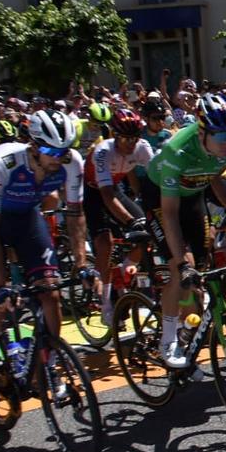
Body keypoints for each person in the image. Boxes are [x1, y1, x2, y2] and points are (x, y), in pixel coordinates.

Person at [0, 110, 88, 408]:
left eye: (63, 151)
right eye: (49, 151)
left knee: (52, 294)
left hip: (26, 218)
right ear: (33, 145)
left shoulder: (71, 164)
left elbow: (75, 214)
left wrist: (82, 262)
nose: (56, 158)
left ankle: (47, 365)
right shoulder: (3, 163)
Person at [142, 94, 226, 368]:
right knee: (183, 267)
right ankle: (167, 341)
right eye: (221, 135)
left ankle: (187, 343)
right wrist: (180, 260)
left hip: (194, 194)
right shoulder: (177, 150)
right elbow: (171, 213)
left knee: (199, 279)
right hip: (161, 198)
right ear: (202, 131)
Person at [82, 108, 152, 326]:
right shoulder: (103, 151)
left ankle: (123, 270)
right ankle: (105, 303)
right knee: (105, 243)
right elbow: (106, 195)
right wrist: (131, 221)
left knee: (147, 234)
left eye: (135, 138)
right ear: (115, 135)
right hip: (93, 191)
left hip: (116, 187)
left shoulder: (142, 148)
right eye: (126, 138)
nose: (131, 143)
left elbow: (157, 178)